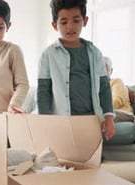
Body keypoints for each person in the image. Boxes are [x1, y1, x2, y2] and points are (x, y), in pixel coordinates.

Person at [37, 0, 115, 140]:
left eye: (76, 20)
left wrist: (109, 117)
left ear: (85, 21)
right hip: (62, 120)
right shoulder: (48, 55)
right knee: (63, 158)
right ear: (55, 25)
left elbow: (104, 87)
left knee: (91, 158)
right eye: (64, 22)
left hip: (91, 118)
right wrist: (44, 121)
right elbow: (44, 91)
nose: (70, 27)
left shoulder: (94, 53)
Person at [103, 56, 135, 122]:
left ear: (111, 71)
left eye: (106, 68)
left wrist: (98, 109)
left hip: (124, 113)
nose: (103, 71)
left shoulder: (116, 81)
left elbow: (117, 101)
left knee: (99, 115)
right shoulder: (97, 87)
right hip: (109, 112)